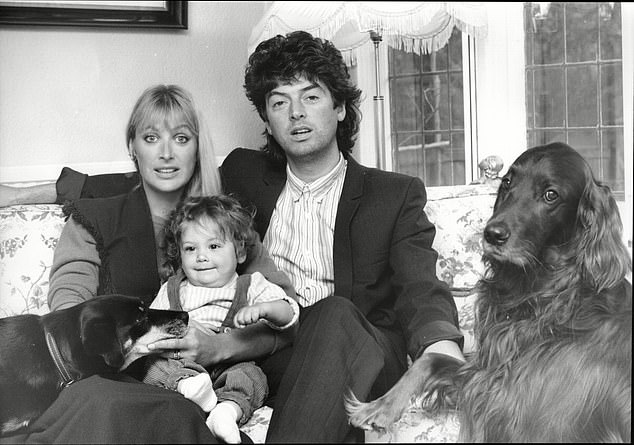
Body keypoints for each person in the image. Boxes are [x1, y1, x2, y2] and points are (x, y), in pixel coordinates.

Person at [0, 33, 466, 442]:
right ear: (267, 118)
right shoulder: (244, 174)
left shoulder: (393, 194)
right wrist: (27, 189)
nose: (296, 114)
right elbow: (149, 179)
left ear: (341, 107)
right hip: (272, 358)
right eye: (280, 102)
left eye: (312, 97)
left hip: (357, 349)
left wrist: (440, 343)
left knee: (334, 314)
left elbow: (421, 286)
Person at [1, 84, 297, 444]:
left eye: (182, 138)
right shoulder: (94, 220)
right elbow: (70, 317)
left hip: (226, 376)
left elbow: (286, 321)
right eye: (152, 137)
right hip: (121, 382)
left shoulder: (225, 226)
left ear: (197, 148)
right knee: (160, 409)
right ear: (133, 148)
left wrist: (222, 347)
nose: (167, 153)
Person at [142, 194, 299, 444]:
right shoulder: (172, 288)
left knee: (252, 376)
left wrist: (265, 309)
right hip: (181, 363)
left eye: (213, 246)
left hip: (231, 362)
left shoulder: (251, 284)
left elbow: (289, 313)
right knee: (152, 367)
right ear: (180, 254)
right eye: (191, 249)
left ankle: (226, 412)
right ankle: (187, 388)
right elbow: (151, 327)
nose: (201, 256)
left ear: (238, 252)